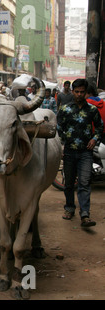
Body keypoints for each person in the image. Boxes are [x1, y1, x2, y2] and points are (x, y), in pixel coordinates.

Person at [56, 78, 104, 228]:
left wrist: (94, 139)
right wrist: (65, 141)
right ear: (72, 91)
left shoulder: (92, 110)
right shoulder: (65, 109)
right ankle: (69, 208)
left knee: (84, 183)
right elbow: (59, 127)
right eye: (76, 92)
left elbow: (100, 127)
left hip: (86, 152)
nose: (79, 94)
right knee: (69, 184)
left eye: (82, 92)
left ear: (85, 92)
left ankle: (85, 214)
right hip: (69, 152)